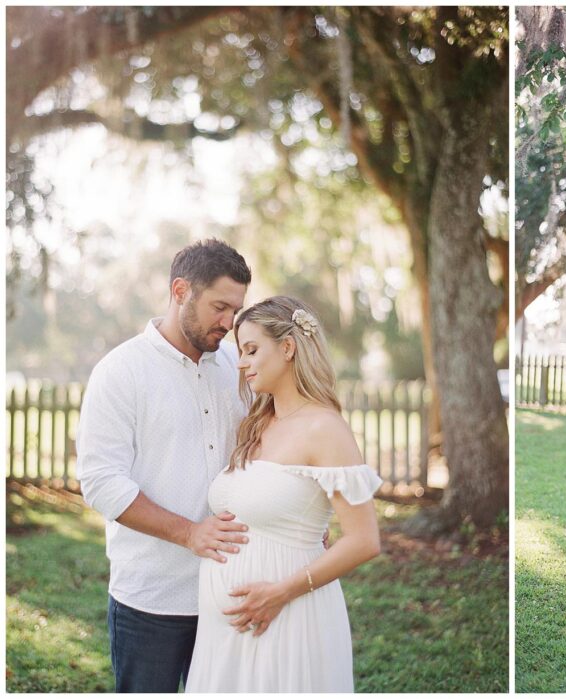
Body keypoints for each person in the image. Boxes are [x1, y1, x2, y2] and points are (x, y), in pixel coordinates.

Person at [77, 239, 253, 692]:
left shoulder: (239, 366)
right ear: (180, 291)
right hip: (150, 600)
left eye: (236, 309)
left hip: (231, 592)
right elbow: (101, 483)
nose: (229, 323)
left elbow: (270, 444)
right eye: (219, 307)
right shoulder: (121, 372)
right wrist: (189, 533)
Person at [184, 296, 382, 692]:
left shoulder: (324, 428)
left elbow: (364, 541)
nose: (241, 363)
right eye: (240, 352)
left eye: (252, 351)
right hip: (224, 635)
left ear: (288, 348)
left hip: (288, 617)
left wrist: (279, 593)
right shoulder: (255, 424)